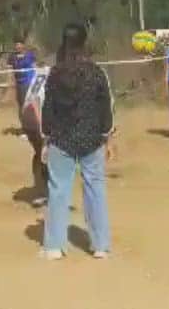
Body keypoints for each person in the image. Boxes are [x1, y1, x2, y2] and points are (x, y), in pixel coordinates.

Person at [40, 22, 115, 259]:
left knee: (58, 190)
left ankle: (54, 245)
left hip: (61, 138)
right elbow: (105, 107)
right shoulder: (97, 72)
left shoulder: (55, 74)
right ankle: (100, 245)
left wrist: (46, 138)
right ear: (84, 42)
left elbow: (48, 108)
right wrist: (107, 136)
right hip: (91, 138)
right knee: (95, 189)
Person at [19, 60, 50, 207]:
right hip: (34, 116)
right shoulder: (53, 75)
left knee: (40, 153)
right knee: (47, 155)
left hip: (27, 116)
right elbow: (35, 102)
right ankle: (45, 192)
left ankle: (39, 187)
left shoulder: (40, 74)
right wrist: (42, 129)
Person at [10, 38, 37, 120]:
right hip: (19, 83)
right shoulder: (13, 57)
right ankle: (23, 123)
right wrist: (11, 82)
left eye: (19, 44)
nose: (17, 47)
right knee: (21, 104)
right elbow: (10, 70)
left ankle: (32, 122)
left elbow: (35, 66)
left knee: (29, 103)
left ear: (23, 45)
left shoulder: (30, 55)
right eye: (16, 45)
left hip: (28, 82)